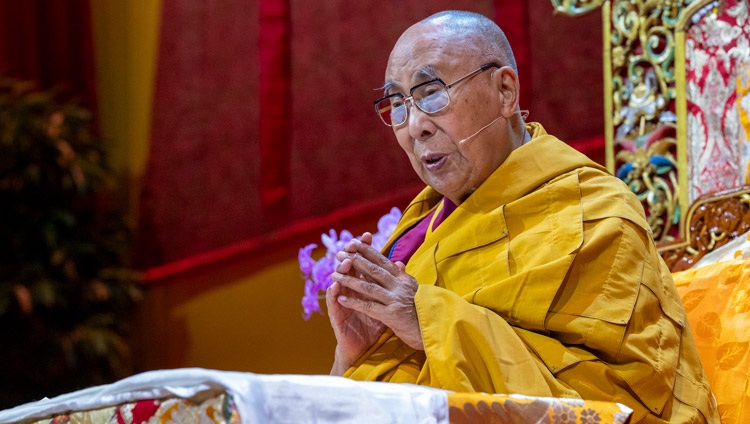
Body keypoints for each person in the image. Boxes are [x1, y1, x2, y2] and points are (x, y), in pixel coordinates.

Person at [325, 10, 718, 423]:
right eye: (398, 104)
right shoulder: (419, 228)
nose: (415, 126)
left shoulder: (594, 212)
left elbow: (618, 404)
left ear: (505, 92)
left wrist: (427, 320)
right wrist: (351, 357)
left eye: (431, 93)